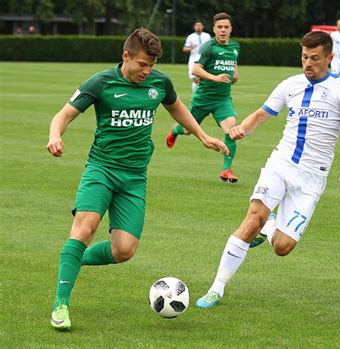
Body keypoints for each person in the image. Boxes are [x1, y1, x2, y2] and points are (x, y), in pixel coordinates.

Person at [47, 28, 228, 330]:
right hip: (101, 169)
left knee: (124, 250)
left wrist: (202, 135)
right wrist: (55, 136)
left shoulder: (159, 83)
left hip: (134, 178)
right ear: (126, 56)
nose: (147, 71)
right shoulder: (101, 82)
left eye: (152, 65)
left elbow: (177, 108)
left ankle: (73, 260)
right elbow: (63, 116)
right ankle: (61, 304)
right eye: (142, 64)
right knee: (85, 227)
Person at [195, 31, 340, 308]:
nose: (307, 64)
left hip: (312, 177)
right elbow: (263, 112)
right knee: (252, 220)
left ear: (329, 58)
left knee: (282, 247)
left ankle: (271, 225)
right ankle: (216, 288)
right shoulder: (291, 84)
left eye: (314, 59)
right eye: (303, 57)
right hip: (281, 163)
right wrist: (242, 129)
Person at [166, 12, 241, 183]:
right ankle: (174, 131)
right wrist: (214, 78)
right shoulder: (209, 47)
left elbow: (234, 69)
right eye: (219, 27)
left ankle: (226, 170)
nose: (223, 30)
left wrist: (234, 76)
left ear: (231, 29)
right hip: (202, 99)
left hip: (223, 100)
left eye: (226, 27)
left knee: (232, 132)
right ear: (214, 29)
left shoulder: (235, 47)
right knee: (186, 130)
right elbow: (196, 70)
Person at [183, 20, 212, 92]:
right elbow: (184, 49)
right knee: (195, 79)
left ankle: (203, 95)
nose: (198, 27)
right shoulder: (190, 37)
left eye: (200, 25)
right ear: (194, 27)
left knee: (204, 79)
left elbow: (212, 47)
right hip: (193, 60)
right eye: (197, 25)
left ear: (202, 26)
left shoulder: (207, 36)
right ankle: (195, 95)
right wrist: (191, 48)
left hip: (205, 60)